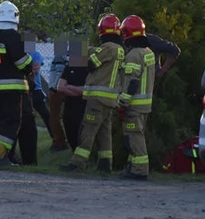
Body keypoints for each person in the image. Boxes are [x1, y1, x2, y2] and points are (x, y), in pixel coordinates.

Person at [61, 14, 125, 173]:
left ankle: (77, 163)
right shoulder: (119, 50)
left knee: (87, 130)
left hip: (97, 98)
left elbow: (92, 64)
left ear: (102, 31)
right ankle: (105, 164)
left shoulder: (108, 47)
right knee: (104, 132)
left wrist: (85, 53)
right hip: (110, 99)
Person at [0, 0, 35, 167]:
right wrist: (30, 65)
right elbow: (22, 62)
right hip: (12, 89)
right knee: (11, 122)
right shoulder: (13, 36)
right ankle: (0, 157)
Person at [118, 14, 157, 181]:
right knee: (135, 136)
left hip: (134, 105)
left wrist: (123, 102)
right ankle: (133, 167)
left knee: (134, 137)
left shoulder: (134, 55)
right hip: (145, 105)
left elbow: (132, 82)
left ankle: (140, 170)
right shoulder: (148, 52)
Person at [55, 47, 89, 151]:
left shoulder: (89, 69)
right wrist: (79, 91)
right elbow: (60, 87)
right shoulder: (69, 67)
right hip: (70, 106)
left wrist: (69, 87)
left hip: (84, 106)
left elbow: (87, 90)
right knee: (70, 130)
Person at [28, 51, 51, 130]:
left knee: (46, 115)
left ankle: (57, 138)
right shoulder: (19, 53)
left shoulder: (35, 54)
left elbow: (36, 69)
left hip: (36, 90)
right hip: (24, 90)